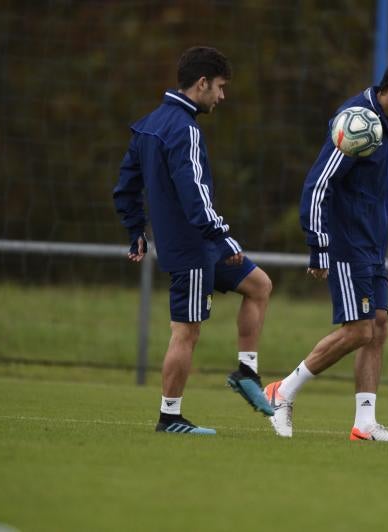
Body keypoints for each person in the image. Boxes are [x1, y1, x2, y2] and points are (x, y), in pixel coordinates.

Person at [264, 56, 388, 443]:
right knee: (358, 330)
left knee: (378, 326)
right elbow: (318, 184)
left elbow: (383, 186)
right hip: (346, 243)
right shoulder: (357, 122)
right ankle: (282, 391)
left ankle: (365, 423)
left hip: (372, 244)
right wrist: (319, 244)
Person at [113, 46, 274, 436]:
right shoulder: (184, 129)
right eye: (220, 87)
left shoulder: (148, 124)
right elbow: (195, 194)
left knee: (259, 285)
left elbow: (125, 187)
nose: (222, 96)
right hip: (194, 248)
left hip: (199, 244)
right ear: (202, 83)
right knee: (186, 332)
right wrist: (224, 237)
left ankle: (246, 372)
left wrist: (135, 230)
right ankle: (170, 417)